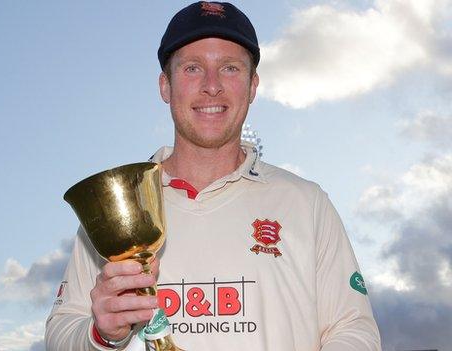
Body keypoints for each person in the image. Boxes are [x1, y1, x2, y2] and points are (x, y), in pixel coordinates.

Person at [45, 2, 382, 350]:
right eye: (192, 68)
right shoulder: (114, 210)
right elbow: (60, 334)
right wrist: (101, 334)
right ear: (165, 85)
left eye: (230, 68)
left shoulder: (308, 203)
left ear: (252, 86)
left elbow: (354, 330)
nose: (212, 86)